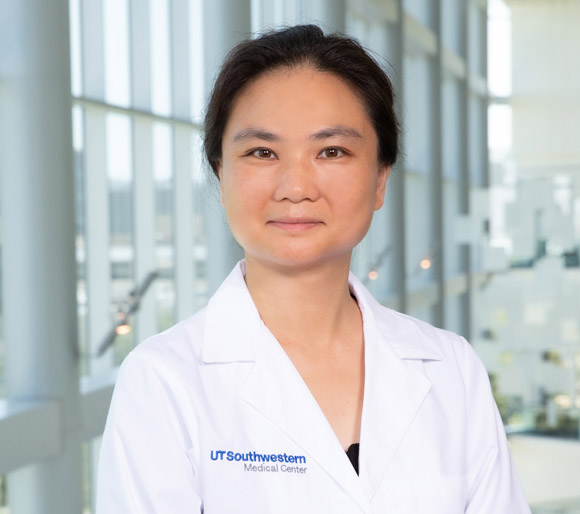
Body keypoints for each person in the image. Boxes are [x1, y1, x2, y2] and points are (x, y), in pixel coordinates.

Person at [97, 25, 529, 513]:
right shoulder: (163, 381)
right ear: (221, 175)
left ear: (380, 178)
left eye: (332, 151)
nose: (295, 186)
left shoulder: (452, 369)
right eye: (262, 152)